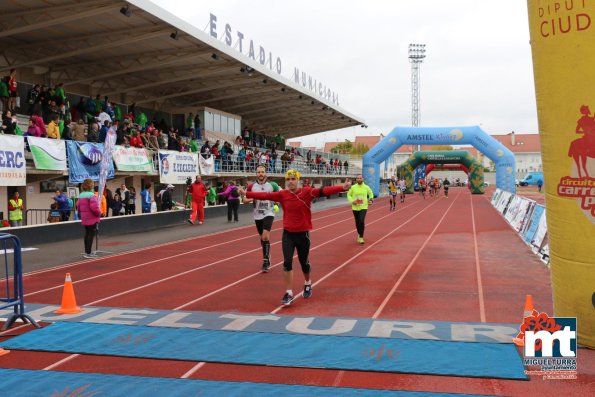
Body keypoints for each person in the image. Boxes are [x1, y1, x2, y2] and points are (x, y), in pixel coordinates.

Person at [239, 169, 351, 306]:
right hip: (288, 234)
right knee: (287, 263)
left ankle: (308, 282)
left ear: (298, 180)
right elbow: (265, 195)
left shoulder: (307, 192)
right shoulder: (282, 194)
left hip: (303, 234)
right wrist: (246, 193)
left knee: (304, 263)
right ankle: (289, 292)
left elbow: (324, 191)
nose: (290, 182)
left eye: (293, 179)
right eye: (288, 179)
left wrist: (342, 187)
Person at [243, 164, 281, 272]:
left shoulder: (272, 185)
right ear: (256, 173)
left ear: (265, 173)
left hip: (269, 213)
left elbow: (278, 197)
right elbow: (244, 200)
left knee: (265, 236)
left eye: (262, 172)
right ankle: (267, 254)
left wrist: (276, 204)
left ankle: (265, 261)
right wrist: (253, 198)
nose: (260, 174)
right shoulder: (251, 187)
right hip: (257, 214)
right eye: (259, 172)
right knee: (262, 238)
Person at [76, 178, 101, 259]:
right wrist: (99, 213)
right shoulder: (92, 195)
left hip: (84, 217)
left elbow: (78, 207)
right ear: (91, 185)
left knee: (87, 234)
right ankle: (88, 252)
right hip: (92, 218)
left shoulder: (81, 195)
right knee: (91, 234)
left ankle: (87, 251)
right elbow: (94, 208)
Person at [347, 174, 374, 244]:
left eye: (360, 178)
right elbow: (348, 195)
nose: (359, 179)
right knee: (357, 222)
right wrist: (353, 201)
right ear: (356, 180)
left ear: (363, 179)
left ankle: (361, 237)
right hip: (355, 207)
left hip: (363, 207)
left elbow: (371, 193)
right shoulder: (353, 187)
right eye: (358, 178)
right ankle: (359, 233)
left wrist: (371, 200)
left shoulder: (366, 187)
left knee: (361, 221)